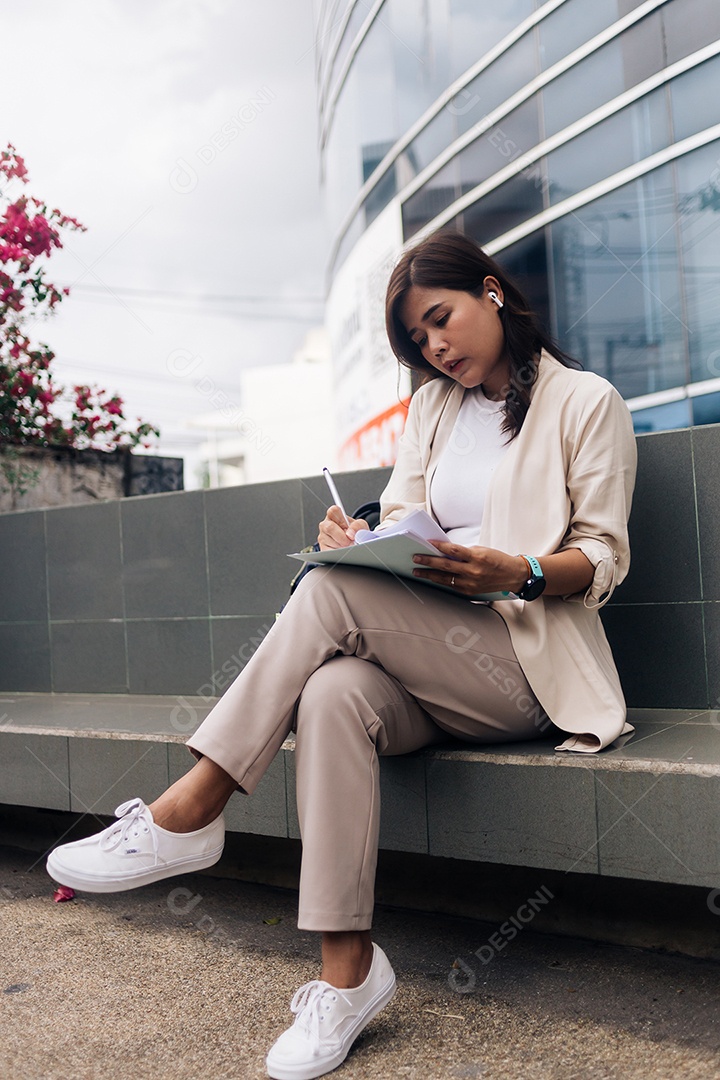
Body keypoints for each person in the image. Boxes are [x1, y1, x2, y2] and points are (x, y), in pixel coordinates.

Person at [46, 230, 637, 1080]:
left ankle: (192, 809)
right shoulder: (433, 408)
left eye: (441, 320)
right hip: (424, 660)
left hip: (525, 667)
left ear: (491, 293)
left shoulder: (587, 401)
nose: (435, 347)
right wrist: (359, 538)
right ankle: (347, 974)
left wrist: (522, 568)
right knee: (330, 693)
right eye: (418, 340)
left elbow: (605, 559)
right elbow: (401, 517)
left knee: (326, 592)